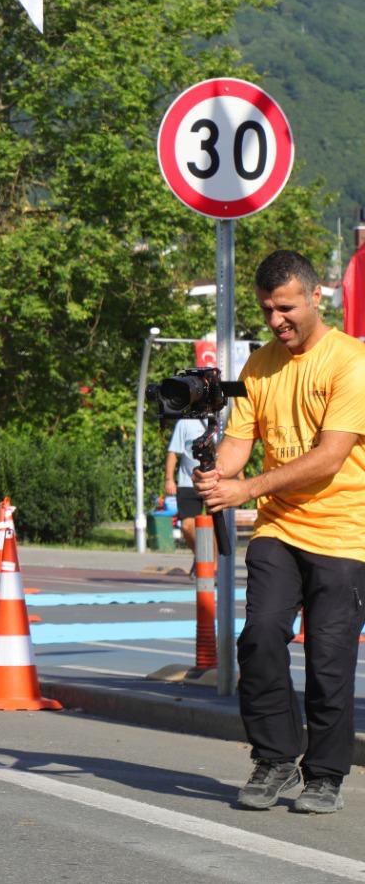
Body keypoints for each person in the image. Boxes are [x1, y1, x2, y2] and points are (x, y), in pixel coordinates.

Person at [195, 250, 365, 814]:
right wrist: (220, 473)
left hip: (345, 532)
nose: (276, 321)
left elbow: (328, 457)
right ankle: (274, 759)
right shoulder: (258, 367)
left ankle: (325, 773)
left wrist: (248, 489)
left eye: (286, 307)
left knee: (330, 658)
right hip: (280, 528)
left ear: (318, 297)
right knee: (260, 636)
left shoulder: (350, 362)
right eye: (267, 310)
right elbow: (241, 442)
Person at [164, 416, 209, 549]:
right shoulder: (185, 423)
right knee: (187, 526)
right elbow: (173, 453)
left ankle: (212, 566)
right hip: (188, 482)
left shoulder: (222, 421)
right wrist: (169, 479)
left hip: (214, 483)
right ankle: (202, 559)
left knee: (215, 529)